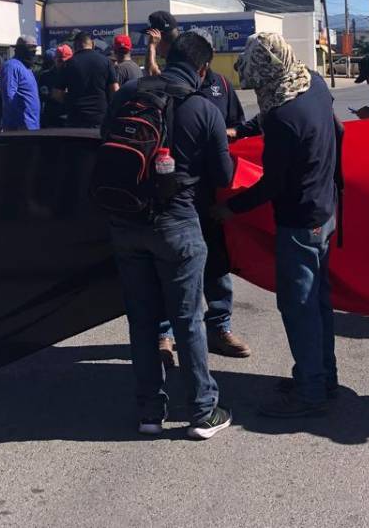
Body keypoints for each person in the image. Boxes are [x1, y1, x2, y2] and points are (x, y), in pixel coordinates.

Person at [102, 32, 234, 440]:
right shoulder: (201, 108)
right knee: (188, 320)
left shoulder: (126, 95)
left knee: (143, 321)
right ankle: (202, 411)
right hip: (177, 223)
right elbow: (224, 176)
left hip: (126, 223)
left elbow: (105, 146)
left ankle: (149, 413)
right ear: (202, 68)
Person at [214, 33, 343, 418]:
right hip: (326, 210)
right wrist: (246, 129)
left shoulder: (286, 119)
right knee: (318, 303)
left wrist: (231, 209)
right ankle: (322, 376)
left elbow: (273, 184)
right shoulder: (312, 84)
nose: (259, 88)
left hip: (300, 221)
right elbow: (335, 130)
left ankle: (310, 393)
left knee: (299, 307)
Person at [155, 34, 251, 360]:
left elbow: (239, 126)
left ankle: (219, 328)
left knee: (216, 269)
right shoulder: (154, 92)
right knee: (168, 273)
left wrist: (227, 136)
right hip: (166, 199)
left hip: (208, 198)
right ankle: (164, 337)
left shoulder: (221, 86)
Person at [58, 32, 119, 130]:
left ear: (75, 46)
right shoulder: (106, 61)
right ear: (93, 44)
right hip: (100, 117)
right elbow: (115, 90)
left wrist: (69, 102)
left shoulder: (68, 64)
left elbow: (57, 94)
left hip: (76, 118)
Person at [0, 37, 41, 131]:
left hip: (32, 125)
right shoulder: (11, 66)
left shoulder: (27, 68)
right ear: (20, 50)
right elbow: (9, 97)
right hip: (19, 127)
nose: (33, 53)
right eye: (30, 49)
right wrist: (18, 124)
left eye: (35, 50)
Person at [144, 10, 179, 76]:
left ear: (159, 38)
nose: (149, 41)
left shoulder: (177, 63)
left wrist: (152, 46)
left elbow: (151, 76)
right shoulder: (179, 57)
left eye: (151, 38)